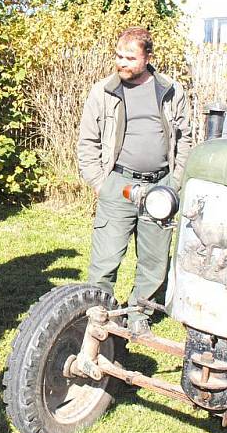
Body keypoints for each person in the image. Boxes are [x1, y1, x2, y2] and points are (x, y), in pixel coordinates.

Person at [77, 27, 192, 335]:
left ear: (148, 58)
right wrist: (100, 184)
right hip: (119, 184)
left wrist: (174, 183)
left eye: (130, 58)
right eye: (118, 56)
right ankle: (98, 316)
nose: (121, 63)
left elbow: (185, 140)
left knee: (155, 261)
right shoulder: (103, 91)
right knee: (105, 261)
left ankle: (139, 314)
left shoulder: (170, 91)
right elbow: (87, 142)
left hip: (159, 189)